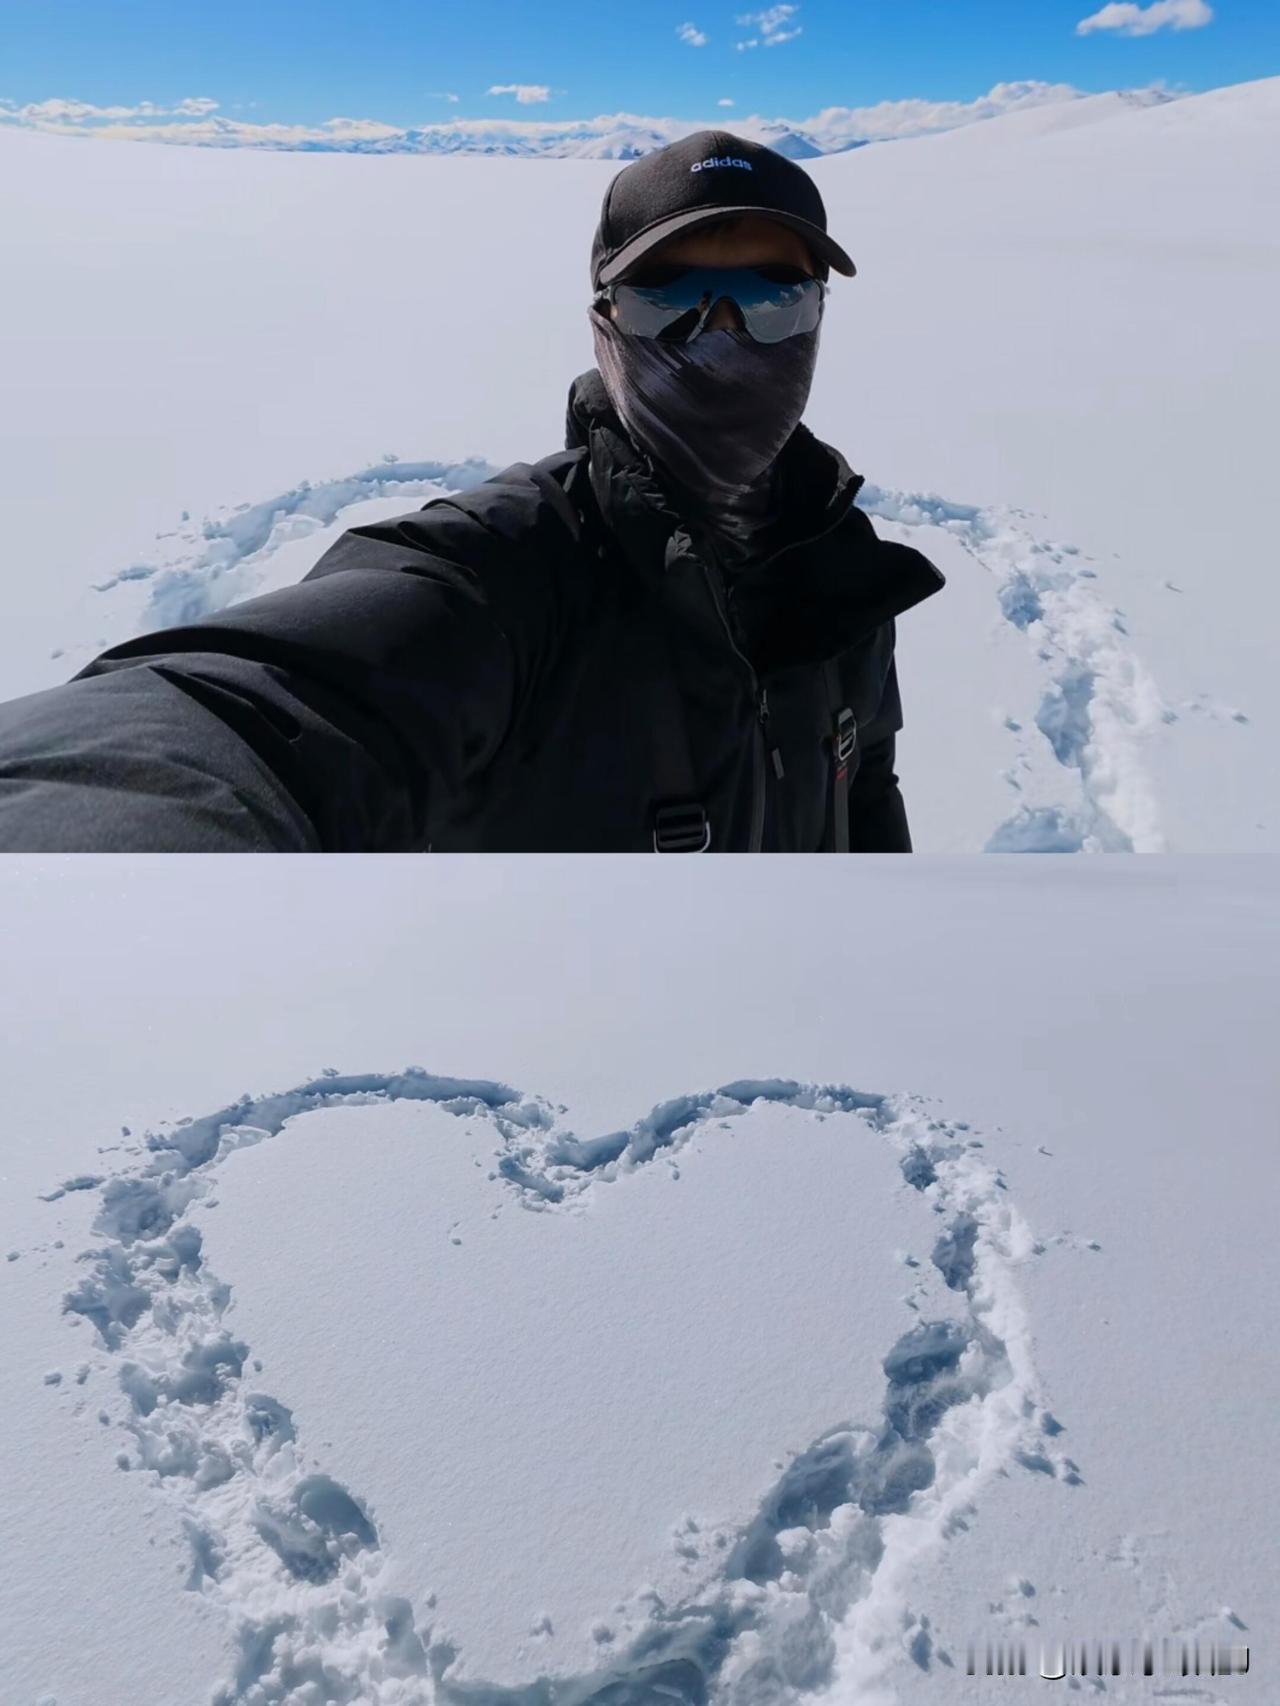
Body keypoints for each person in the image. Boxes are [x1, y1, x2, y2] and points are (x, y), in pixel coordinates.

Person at [0, 129, 943, 852]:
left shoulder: (839, 573)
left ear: (821, 316)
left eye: (774, 298)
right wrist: (91, 852)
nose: (722, 336)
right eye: (671, 298)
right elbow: (252, 711)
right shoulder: (507, 573)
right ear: (605, 328)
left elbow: (865, 802)